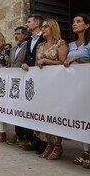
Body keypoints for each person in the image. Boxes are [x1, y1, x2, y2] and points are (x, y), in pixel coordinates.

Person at [63, 13, 90, 168]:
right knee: (81, 118)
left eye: (78, 21)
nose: (74, 24)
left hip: (89, 84)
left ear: (87, 25)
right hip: (74, 85)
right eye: (73, 22)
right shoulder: (70, 45)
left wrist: (77, 59)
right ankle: (85, 151)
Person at [34, 18, 68, 160]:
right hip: (43, 85)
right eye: (42, 27)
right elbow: (36, 65)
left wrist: (47, 61)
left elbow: (63, 63)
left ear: (53, 27)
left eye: (46, 26)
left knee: (55, 114)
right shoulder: (40, 45)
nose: (43, 29)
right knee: (44, 113)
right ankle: (48, 143)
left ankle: (57, 146)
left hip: (57, 84)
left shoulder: (60, 44)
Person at [21, 14, 45, 152]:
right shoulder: (30, 40)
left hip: (41, 77)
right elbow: (27, 57)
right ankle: (35, 139)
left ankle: (43, 141)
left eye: (29, 22)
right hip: (31, 78)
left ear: (36, 24)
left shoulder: (43, 38)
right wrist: (24, 63)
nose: (26, 24)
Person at [6, 27, 29, 145]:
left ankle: (27, 136)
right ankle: (18, 134)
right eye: (15, 34)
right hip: (14, 81)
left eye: (18, 34)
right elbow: (10, 63)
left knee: (24, 107)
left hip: (25, 79)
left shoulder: (28, 46)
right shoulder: (14, 48)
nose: (16, 36)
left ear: (25, 35)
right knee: (16, 107)